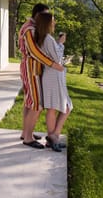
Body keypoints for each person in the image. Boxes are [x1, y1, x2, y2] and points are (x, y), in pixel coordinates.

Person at [18, 3, 64, 149]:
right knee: (37, 104)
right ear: (37, 15)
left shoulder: (29, 27)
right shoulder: (29, 29)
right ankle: (28, 138)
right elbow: (34, 52)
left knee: (29, 102)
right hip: (31, 68)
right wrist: (52, 64)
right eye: (44, 15)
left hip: (31, 67)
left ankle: (26, 132)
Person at [34, 12, 73, 152]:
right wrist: (61, 44)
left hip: (52, 75)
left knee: (63, 107)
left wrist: (57, 44)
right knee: (55, 107)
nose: (54, 23)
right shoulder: (48, 39)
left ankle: (53, 136)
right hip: (53, 75)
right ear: (47, 23)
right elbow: (56, 58)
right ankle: (53, 137)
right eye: (53, 21)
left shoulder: (43, 38)